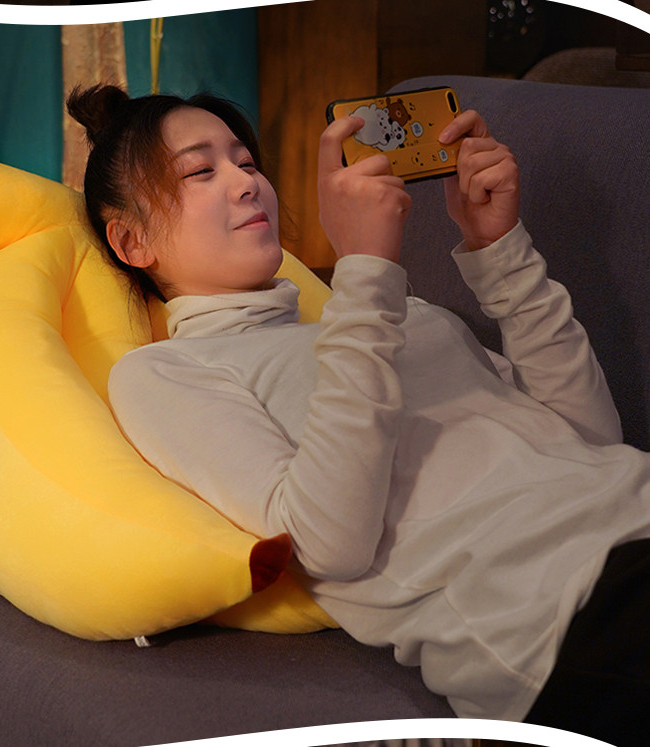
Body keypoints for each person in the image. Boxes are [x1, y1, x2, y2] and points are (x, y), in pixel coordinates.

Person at [67, 84, 650, 745]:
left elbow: (590, 444)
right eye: (200, 171)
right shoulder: (166, 372)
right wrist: (365, 273)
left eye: (247, 162)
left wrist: (499, 248)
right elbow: (327, 544)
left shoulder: (404, 316)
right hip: (567, 613)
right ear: (132, 240)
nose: (246, 183)